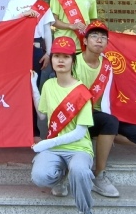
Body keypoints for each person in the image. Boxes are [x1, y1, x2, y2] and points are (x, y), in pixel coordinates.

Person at [72, 20, 136, 198]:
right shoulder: (73, 61)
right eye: (94, 36)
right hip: (75, 115)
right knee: (109, 122)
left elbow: (111, 95)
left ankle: (103, 135)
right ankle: (99, 175)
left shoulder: (108, 65)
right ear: (85, 40)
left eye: (103, 37)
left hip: (100, 113)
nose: (99, 40)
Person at [30, 36, 96, 214]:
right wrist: (33, 84)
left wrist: (46, 143)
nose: (60, 60)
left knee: (79, 170)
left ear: (73, 61)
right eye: (57, 56)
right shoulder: (48, 85)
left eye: (66, 57)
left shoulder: (82, 92)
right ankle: (61, 179)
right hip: (55, 149)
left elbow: (79, 133)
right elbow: (42, 115)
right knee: (39, 176)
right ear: (51, 59)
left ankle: (85, 210)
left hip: (79, 148)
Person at [2, 0, 55, 141]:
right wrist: (23, 15)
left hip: (36, 49)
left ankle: (33, 131)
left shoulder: (43, 6)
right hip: (16, 50)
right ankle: (15, 129)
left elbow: (47, 31)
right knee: (17, 89)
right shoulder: (13, 4)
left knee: (33, 89)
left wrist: (49, 53)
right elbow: (5, 26)